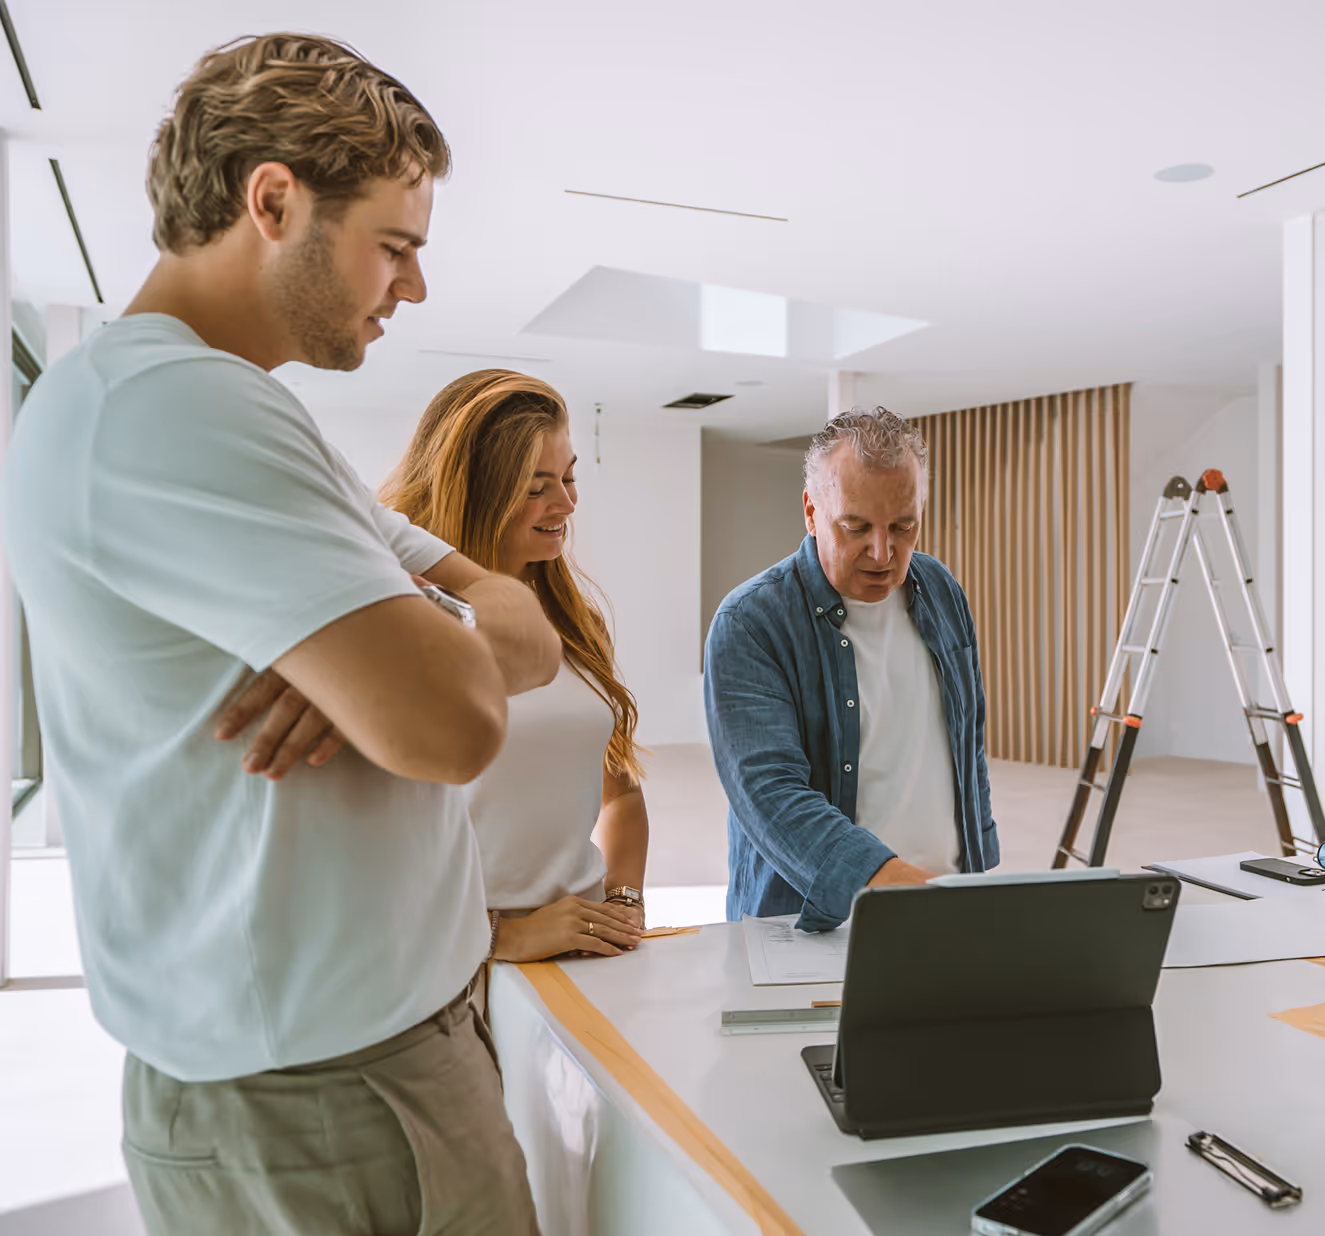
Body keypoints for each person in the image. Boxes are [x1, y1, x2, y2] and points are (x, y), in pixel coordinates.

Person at [3, 35, 551, 1235]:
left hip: (364, 1071)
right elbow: (454, 723)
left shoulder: (236, 408)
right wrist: (407, 658)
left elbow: (525, 624)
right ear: (273, 200)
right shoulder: (168, 406)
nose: (410, 288)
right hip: (320, 1105)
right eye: (394, 247)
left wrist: (411, 636)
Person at [381, 370, 649, 964]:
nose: (566, 503)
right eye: (537, 487)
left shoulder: (575, 621)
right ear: (477, 489)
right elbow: (364, 846)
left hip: (582, 958)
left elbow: (620, 792)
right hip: (456, 965)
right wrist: (503, 936)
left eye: (570, 477)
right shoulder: (409, 614)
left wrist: (625, 897)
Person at [704, 407, 1000, 932]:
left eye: (904, 526)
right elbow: (772, 796)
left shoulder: (941, 589)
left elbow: (966, 739)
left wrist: (977, 875)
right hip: (818, 926)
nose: (883, 552)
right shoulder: (750, 622)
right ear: (811, 512)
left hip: (947, 904)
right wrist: (906, 887)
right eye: (856, 526)